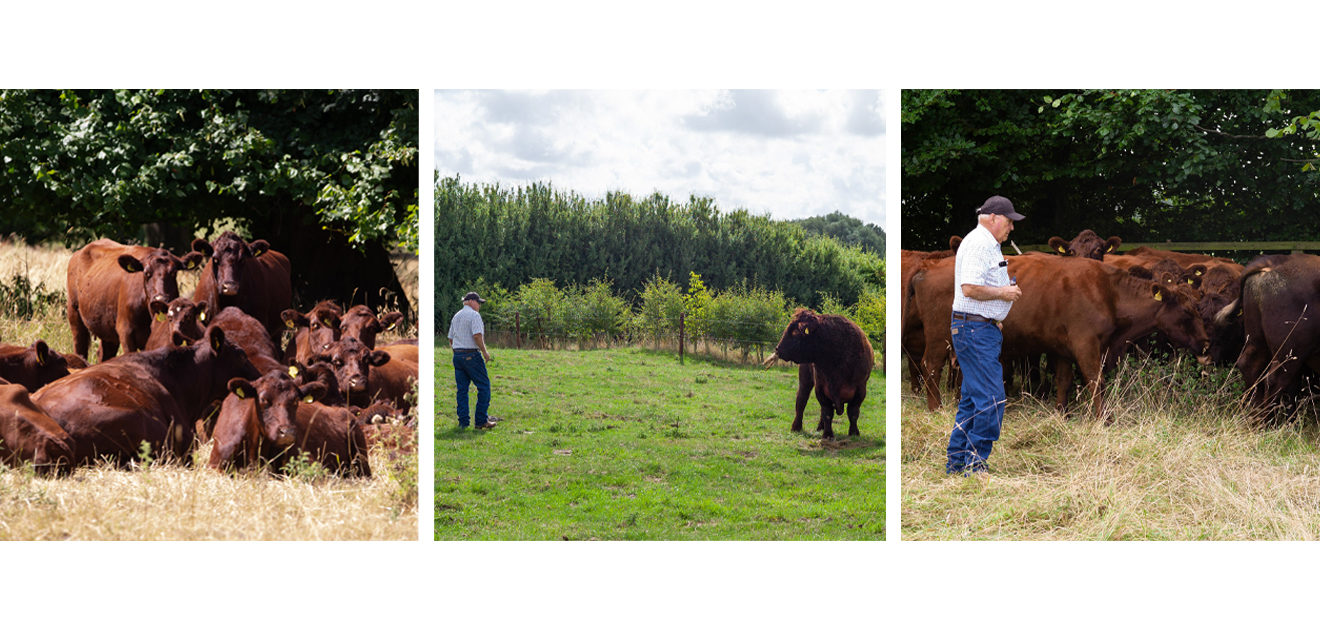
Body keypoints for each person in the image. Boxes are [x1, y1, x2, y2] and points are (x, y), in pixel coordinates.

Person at [946, 195, 1024, 475]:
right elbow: (969, 287)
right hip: (975, 330)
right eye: (1008, 221)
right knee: (992, 398)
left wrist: (994, 316)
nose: (1011, 228)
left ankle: (957, 461)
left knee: (972, 398)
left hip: (979, 328)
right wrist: (1004, 294)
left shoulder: (984, 243)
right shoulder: (980, 244)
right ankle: (975, 464)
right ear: (993, 218)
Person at [448, 291, 497, 429]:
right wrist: (485, 352)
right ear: (470, 301)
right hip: (471, 355)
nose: (479, 306)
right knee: (484, 386)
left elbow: (450, 338)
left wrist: (457, 352)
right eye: (478, 302)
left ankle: (463, 422)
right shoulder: (474, 315)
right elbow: (477, 336)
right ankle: (481, 420)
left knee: (462, 390)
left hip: (457, 356)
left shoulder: (456, 316)